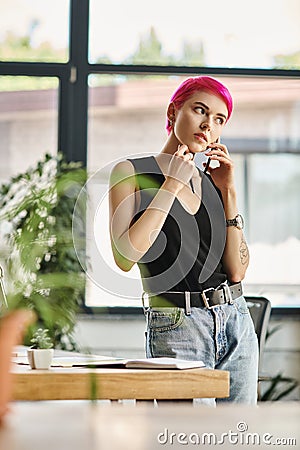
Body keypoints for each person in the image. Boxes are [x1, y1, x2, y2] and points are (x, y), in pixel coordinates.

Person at [109, 76, 258, 405]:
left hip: (236, 319)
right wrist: (171, 185)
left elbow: (237, 272)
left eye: (219, 119)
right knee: (188, 438)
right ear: (173, 111)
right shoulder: (131, 172)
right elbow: (125, 256)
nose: (208, 125)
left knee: (241, 437)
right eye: (200, 110)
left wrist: (229, 192)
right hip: (177, 325)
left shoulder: (215, 182)